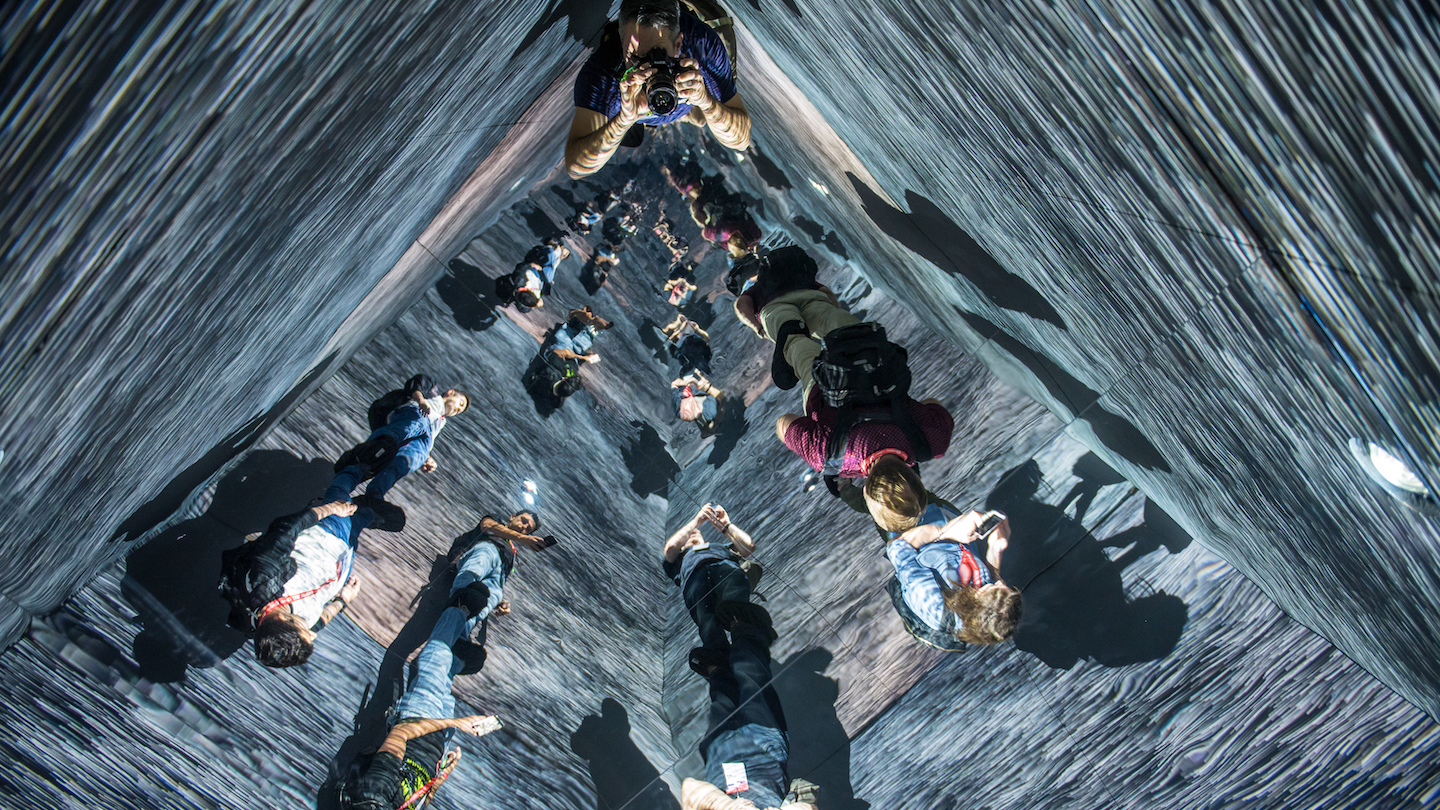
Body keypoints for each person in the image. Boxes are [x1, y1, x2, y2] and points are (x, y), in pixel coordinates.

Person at [340, 513, 550, 809]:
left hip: (420, 722)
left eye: (528, 525)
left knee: (437, 652)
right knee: (443, 659)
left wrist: (459, 724)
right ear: (515, 518)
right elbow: (421, 796)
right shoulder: (498, 533)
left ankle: (460, 609)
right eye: (525, 522)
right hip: (439, 743)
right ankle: (460, 631)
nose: (526, 526)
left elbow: (400, 735)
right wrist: (440, 776)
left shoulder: (372, 799)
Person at [218, 467, 401, 668]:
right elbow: (319, 621)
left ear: (280, 617)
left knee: (342, 487)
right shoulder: (278, 627)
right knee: (362, 518)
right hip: (340, 560)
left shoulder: (264, 577)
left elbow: (287, 527)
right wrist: (343, 600)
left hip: (326, 532)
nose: (313, 634)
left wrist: (332, 509)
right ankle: (365, 511)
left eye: (306, 632)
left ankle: (358, 465)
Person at [566, 0, 749, 178]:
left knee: (702, 117)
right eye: (635, 57)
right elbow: (576, 167)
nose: (648, 70)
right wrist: (624, 120)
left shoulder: (701, 47)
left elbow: (741, 140)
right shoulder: (605, 76)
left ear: (678, 45)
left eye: (658, 54)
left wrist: (706, 101)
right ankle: (683, 114)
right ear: (621, 42)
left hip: (695, 28)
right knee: (699, 118)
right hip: (665, 107)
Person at [679, 603, 816, 810]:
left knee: (723, 700)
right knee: (751, 679)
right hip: (762, 749)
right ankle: (744, 629)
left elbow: (691, 789)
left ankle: (719, 669)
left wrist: (726, 807)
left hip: (721, 755)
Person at [886, 508, 1023, 647]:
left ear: (979, 599)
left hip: (911, 523)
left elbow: (896, 546)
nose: (999, 581)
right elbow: (991, 578)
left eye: (995, 587)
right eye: (1008, 587)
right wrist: (995, 550)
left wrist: (945, 531)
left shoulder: (932, 602)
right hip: (953, 526)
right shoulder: (983, 608)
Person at [663, 504, 756, 672]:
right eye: (687, 536)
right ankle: (722, 665)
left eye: (695, 532)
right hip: (694, 580)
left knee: (736, 608)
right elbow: (671, 548)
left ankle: (745, 641)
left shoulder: (721, 548)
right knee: (708, 626)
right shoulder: (678, 563)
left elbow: (748, 546)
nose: (692, 534)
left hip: (723, 567)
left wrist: (726, 525)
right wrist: (698, 520)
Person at [335, 386, 469, 500]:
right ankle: (352, 469)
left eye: (460, 411)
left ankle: (371, 499)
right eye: (460, 403)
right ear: (450, 392)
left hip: (425, 442)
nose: (458, 409)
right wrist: (421, 401)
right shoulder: (430, 395)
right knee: (385, 444)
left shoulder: (441, 422)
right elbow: (415, 385)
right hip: (419, 415)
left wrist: (426, 458)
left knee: (399, 466)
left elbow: (421, 442)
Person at [531, 306, 614, 400]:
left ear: (563, 379)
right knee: (586, 338)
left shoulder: (552, 370)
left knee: (572, 329)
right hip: (575, 351)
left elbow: (564, 352)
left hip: (563, 344)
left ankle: (583, 317)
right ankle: (593, 325)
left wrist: (585, 358)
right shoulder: (569, 382)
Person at [664, 315, 721, 425]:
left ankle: (680, 329)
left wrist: (688, 382)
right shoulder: (702, 396)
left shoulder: (680, 401)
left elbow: (675, 384)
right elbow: (706, 340)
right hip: (693, 353)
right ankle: (681, 329)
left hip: (689, 359)